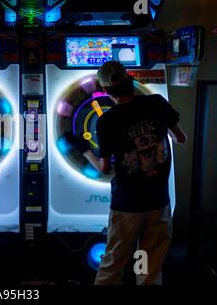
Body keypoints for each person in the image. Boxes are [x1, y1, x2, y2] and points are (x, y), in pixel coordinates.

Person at [66, 61, 187, 285]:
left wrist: (83, 149)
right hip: (158, 203)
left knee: (113, 264)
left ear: (105, 91)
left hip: (127, 206)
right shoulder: (157, 102)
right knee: (148, 266)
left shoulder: (107, 121)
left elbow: (104, 169)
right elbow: (181, 138)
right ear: (131, 80)